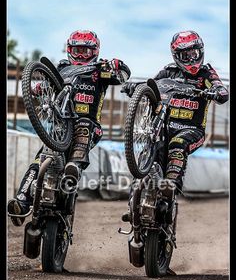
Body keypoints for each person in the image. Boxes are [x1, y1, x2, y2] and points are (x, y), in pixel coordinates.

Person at [8, 29, 131, 226]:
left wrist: (118, 65)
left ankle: (73, 166)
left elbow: (123, 76)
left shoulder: (100, 69)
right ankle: (21, 201)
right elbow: (44, 84)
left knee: (83, 130)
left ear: (95, 51)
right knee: (40, 160)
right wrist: (37, 88)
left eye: (86, 51)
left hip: (89, 124)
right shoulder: (62, 68)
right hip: (60, 127)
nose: (81, 55)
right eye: (77, 50)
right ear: (69, 49)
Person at [121, 30, 229, 222]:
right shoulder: (168, 71)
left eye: (194, 53)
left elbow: (220, 88)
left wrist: (217, 92)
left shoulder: (206, 73)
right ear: (176, 56)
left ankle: (170, 187)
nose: (190, 58)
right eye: (185, 55)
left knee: (178, 144)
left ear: (200, 51)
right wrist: (135, 86)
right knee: (149, 151)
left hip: (191, 131)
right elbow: (151, 86)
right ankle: (134, 202)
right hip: (164, 129)